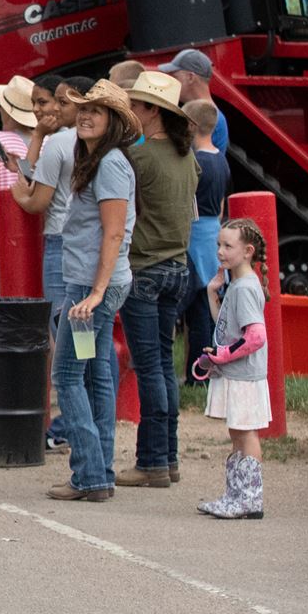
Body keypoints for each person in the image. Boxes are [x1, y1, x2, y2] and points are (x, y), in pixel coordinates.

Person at [47, 80, 140, 503]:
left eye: (96, 112)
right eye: (83, 109)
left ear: (113, 122)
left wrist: (96, 292)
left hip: (92, 285)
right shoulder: (96, 160)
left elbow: (114, 232)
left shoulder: (111, 164)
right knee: (94, 373)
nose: (85, 116)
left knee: (67, 376)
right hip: (90, 282)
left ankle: (89, 476)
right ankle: (97, 471)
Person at [111, 71, 199, 488]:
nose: (130, 109)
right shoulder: (187, 157)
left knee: (149, 368)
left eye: (135, 104)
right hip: (178, 269)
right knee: (162, 364)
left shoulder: (138, 158)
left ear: (150, 111)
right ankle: (168, 457)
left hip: (144, 267)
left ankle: (151, 462)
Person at [11, 72, 81, 448]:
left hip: (59, 241)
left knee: (63, 331)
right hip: (83, 244)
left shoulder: (59, 144)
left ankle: (67, 425)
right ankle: (79, 422)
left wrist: (19, 195)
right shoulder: (88, 141)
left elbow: (32, 195)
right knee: (83, 336)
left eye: (43, 102)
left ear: (63, 101)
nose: (37, 110)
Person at [195, 217, 271, 519]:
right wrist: (213, 294)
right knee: (238, 432)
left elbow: (255, 337)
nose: (221, 251)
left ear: (248, 250)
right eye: (219, 245)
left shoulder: (244, 288)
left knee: (245, 434)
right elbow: (227, 328)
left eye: (228, 246)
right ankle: (238, 496)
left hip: (243, 375)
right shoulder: (238, 285)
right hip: (238, 373)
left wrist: (222, 356)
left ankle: (249, 499)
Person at [181, 97, 230, 386]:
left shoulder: (196, 161)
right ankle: (202, 371)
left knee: (195, 306)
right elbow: (221, 205)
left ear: (192, 125)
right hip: (212, 232)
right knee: (205, 307)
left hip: (196, 232)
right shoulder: (221, 160)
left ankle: (196, 374)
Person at [159, 48, 228, 151]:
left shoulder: (213, 120)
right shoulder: (212, 117)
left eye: (175, 77)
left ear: (190, 77)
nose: (172, 82)